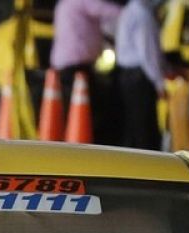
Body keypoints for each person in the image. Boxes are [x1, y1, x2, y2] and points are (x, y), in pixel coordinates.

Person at [49, 0, 123, 144]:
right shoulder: (82, 2)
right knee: (89, 110)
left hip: (64, 65)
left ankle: (72, 140)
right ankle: (89, 144)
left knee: (70, 109)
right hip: (77, 66)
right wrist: (131, 12)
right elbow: (108, 11)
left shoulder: (64, 4)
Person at [114, 0, 166, 151]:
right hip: (140, 77)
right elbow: (149, 54)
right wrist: (159, 83)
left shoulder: (128, 11)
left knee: (133, 125)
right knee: (145, 128)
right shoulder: (143, 15)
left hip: (127, 75)